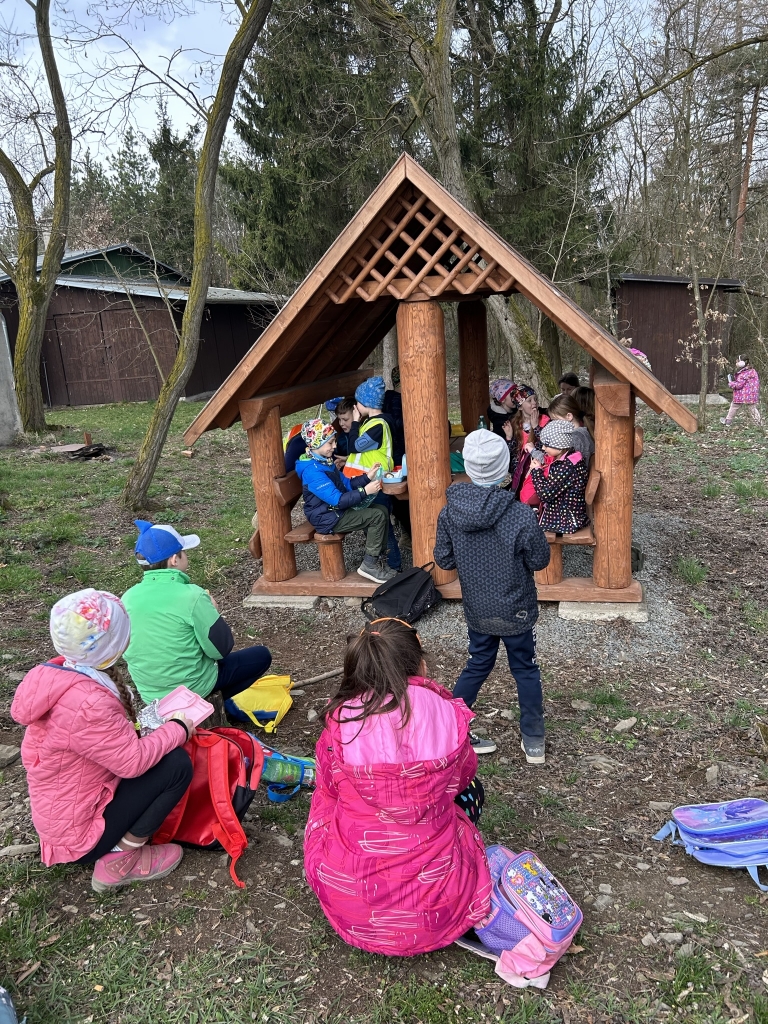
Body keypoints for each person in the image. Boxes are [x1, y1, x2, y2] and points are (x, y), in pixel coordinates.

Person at [304, 617, 492, 956]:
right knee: (471, 792)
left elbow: (328, 785)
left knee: (328, 797)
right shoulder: (447, 714)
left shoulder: (341, 721)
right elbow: (463, 777)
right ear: (420, 664)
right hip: (438, 905)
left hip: (350, 901)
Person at [11, 589, 194, 892]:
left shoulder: (62, 674)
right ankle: (120, 860)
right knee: (176, 765)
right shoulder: (88, 702)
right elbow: (133, 763)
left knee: (163, 755)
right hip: (80, 837)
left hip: (66, 817)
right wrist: (178, 728)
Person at [434, 429, 551, 763]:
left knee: (477, 664)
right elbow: (539, 560)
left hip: (478, 607)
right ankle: (533, 739)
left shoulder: (450, 512)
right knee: (525, 669)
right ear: (505, 469)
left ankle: (451, 728)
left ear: (469, 468)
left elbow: (444, 560)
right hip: (516, 608)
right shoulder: (520, 514)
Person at [122, 522, 272, 704]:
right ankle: (205, 705)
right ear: (174, 560)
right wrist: (213, 613)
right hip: (192, 688)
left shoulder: (126, 598)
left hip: (151, 694)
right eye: (184, 551)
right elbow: (221, 650)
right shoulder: (192, 596)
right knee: (262, 656)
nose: (187, 555)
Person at [295, 419, 396, 584]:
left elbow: (346, 484)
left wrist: (367, 477)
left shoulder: (324, 461)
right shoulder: (312, 472)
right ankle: (369, 565)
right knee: (376, 516)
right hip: (327, 518)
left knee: (382, 509)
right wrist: (365, 491)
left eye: (334, 441)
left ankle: (377, 558)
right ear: (316, 444)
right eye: (330, 442)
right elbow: (337, 500)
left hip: (336, 511)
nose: (335, 446)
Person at [346, 375, 401, 571]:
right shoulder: (375, 422)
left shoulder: (377, 425)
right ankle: (382, 562)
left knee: (382, 525)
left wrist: (354, 422)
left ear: (365, 403)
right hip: (369, 481)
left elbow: (354, 446)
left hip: (374, 483)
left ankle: (394, 566)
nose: (356, 407)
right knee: (375, 523)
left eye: (357, 403)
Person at [530, 421, 590, 535]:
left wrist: (536, 471)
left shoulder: (567, 466)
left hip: (566, 520)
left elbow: (544, 494)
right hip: (569, 514)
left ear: (560, 445)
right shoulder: (570, 459)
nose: (543, 448)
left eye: (547, 445)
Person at [547, 394, 594, 460]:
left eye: (555, 420)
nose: (553, 424)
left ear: (569, 416)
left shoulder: (577, 437)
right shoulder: (578, 433)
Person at [722, 356, 761, 427]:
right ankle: (758, 423)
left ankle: (728, 421)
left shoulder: (743, 374)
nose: (736, 363)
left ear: (742, 363)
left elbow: (739, 385)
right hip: (752, 395)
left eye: (738, 361)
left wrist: (731, 384)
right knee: (752, 408)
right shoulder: (752, 371)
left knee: (734, 406)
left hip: (741, 394)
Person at [332, 396, 356, 466]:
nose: (341, 424)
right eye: (339, 420)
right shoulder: (341, 439)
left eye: (345, 420)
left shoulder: (365, 434)